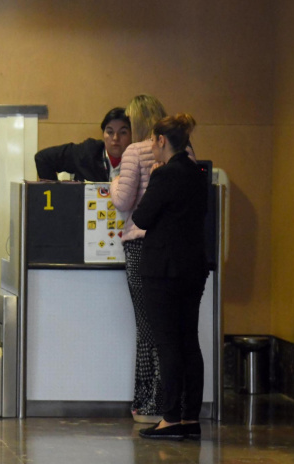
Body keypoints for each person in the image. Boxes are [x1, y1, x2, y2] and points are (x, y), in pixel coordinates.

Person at [133, 114, 209, 440]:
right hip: (193, 268)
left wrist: (152, 179)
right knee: (189, 341)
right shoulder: (197, 174)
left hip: (163, 269)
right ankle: (190, 418)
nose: (152, 146)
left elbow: (142, 216)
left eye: (153, 141)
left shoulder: (165, 175)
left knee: (167, 344)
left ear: (162, 140)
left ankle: (170, 418)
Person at [110, 94, 168, 423]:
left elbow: (123, 201)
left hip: (140, 245)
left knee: (146, 327)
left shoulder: (134, 152)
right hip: (174, 246)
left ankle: (148, 404)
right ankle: (173, 402)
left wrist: (116, 180)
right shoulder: (182, 150)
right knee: (172, 327)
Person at [34, 107, 132, 181]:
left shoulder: (138, 160)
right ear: (103, 134)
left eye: (123, 132)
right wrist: (56, 196)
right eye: (110, 132)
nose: (115, 138)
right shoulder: (87, 152)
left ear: (132, 135)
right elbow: (43, 158)